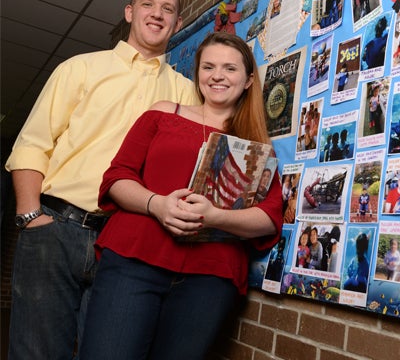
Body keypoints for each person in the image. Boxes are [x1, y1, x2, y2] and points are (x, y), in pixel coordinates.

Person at [4, 0, 200, 359]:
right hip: (54, 229)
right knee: (35, 352)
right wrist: (30, 217)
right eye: (147, 4)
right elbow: (32, 144)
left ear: (178, 24)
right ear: (129, 12)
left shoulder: (186, 93)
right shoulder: (79, 69)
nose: (156, 14)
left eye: (168, 9)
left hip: (127, 244)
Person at [78, 32, 283, 359]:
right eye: (208, 67)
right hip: (134, 259)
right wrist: (157, 204)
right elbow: (117, 177)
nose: (217, 75)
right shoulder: (163, 113)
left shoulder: (255, 144)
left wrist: (214, 216)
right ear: (197, 74)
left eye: (230, 68)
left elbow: (268, 218)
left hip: (210, 277)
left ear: (247, 80)